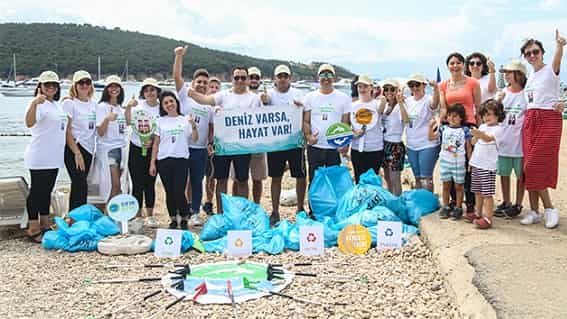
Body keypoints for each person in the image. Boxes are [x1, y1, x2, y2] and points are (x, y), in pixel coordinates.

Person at [188, 66, 261, 213]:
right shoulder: (224, 95)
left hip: (243, 146)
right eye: (236, 78)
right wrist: (190, 93)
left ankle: (242, 212)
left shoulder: (254, 98)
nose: (239, 80)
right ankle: (221, 213)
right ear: (232, 79)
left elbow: (262, 118)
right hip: (222, 145)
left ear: (247, 80)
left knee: (242, 180)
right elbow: (206, 99)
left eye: (242, 78)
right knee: (221, 180)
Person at [519, 30, 566, 228]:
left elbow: (557, 62)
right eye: (528, 53)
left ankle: (549, 208)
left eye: (535, 52)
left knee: (535, 165)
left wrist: (560, 46)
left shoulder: (550, 69)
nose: (532, 55)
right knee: (527, 167)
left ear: (542, 52)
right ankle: (534, 211)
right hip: (530, 120)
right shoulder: (530, 76)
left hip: (548, 119)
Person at [260, 64, 307, 225]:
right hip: (276, 143)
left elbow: (306, 113)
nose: (282, 79)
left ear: (290, 78)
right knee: (276, 177)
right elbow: (260, 114)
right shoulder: (269, 95)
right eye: (279, 76)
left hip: (295, 142)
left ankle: (300, 208)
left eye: (285, 76)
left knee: (300, 176)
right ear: (275, 78)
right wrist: (264, 102)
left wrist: (300, 106)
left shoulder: (298, 93)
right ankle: (275, 211)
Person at [24, 71, 67, 242]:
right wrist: (35, 103)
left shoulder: (57, 105)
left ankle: (44, 223)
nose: (51, 87)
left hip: (54, 156)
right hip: (40, 155)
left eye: (54, 85)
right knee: (37, 191)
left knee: (47, 191)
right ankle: (33, 227)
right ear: (40, 86)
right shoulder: (38, 103)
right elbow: (29, 123)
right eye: (47, 84)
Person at [173, 46, 213, 225]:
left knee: (197, 181)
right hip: (182, 147)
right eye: (199, 82)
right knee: (180, 181)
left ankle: (195, 211)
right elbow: (176, 77)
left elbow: (211, 127)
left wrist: (210, 143)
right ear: (193, 82)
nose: (202, 85)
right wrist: (179, 56)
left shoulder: (209, 104)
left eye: (205, 82)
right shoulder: (184, 97)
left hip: (200, 149)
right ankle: (181, 210)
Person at [439, 52, 481, 214]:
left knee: (468, 166)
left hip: (468, 126)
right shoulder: (443, 85)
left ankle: (469, 203)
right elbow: (443, 108)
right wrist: (438, 123)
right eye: (452, 63)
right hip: (449, 127)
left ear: (463, 64)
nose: (455, 66)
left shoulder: (473, 82)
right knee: (449, 164)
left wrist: (479, 130)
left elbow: (478, 106)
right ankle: (451, 202)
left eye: (458, 62)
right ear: (448, 66)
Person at [149, 91, 198, 229]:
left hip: (181, 159)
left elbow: (194, 138)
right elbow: (156, 143)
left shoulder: (185, 119)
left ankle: (184, 216)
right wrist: (152, 163)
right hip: (163, 160)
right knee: (169, 191)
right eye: (166, 103)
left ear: (176, 102)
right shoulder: (160, 121)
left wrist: (193, 125)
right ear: (162, 106)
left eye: (171, 101)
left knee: (178, 190)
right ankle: (172, 219)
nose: (169, 104)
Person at [303, 64, 350, 183]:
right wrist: (308, 136)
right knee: (314, 181)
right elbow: (306, 120)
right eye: (323, 74)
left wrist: (345, 144)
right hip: (315, 146)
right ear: (318, 77)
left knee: (334, 182)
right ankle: (314, 202)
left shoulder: (343, 98)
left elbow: (345, 123)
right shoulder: (309, 97)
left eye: (329, 74)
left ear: (334, 77)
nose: (326, 78)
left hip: (334, 147)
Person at [125, 78, 161, 227]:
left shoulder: (162, 107)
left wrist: (152, 141)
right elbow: (128, 122)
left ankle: (150, 215)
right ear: (143, 93)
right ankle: (137, 215)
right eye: (146, 90)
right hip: (136, 148)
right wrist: (128, 108)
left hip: (154, 150)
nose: (149, 93)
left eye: (152, 89)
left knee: (150, 183)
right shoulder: (137, 106)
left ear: (158, 91)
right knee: (137, 183)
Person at [493, 60, 528, 218]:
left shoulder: (526, 94)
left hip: (520, 144)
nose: (506, 75)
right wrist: (498, 101)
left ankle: (518, 203)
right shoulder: (502, 93)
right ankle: (506, 202)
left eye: (509, 72)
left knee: (521, 176)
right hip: (503, 142)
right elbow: (493, 114)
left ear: (519, 75)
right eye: (505, 72)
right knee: (504, 174)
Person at [467, 99, 505, 229]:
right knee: (477, 191)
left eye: (489, 114)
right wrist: (475, 136)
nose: (486, 117)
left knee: (487, 194)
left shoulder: (499, 129)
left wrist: (478, 134)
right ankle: (478, 214)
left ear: (498, 114)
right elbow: (473, 143)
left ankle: (488, 218)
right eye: (484, 115)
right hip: (477, 164)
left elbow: (488, 139)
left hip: (488, 166)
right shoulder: (482, 127)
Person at [431, 104, 472, 220]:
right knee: (446, 185)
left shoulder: (465, 130)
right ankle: (446, 206)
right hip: (445, 161)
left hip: (459, 162)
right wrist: (431, 127)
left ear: (461, 118)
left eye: (455, 116)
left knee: (459, 186)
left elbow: (468, 147)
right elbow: (431, 137)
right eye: (449, 116)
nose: (451, 118)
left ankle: (458, 207)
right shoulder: (443, 129)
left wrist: (470, 162)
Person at [63, 70, 96, 211]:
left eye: (87, 82)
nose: (84, 85)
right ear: (75, 85)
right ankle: (75, 217)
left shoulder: (94, 105)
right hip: (74, 148)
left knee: (80, 185)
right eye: (81, 83)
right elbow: (67, 130)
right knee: (80, 183)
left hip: (89, 149)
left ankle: (77, 217)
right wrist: (77, 153)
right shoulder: (69, 103)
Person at [405, 74, 440, 192]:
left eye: (417, 84)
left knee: (426, 178)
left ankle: (429, 203)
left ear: (424, 85)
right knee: (418, 178)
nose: (414, 87)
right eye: (411, 85)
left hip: (427, 144)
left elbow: (435, 104)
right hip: (411, 145)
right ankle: (420, 202)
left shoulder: (428, 99)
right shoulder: (407, 101)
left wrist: (436, 89)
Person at [96, 75, 127, 200]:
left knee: (120, 187)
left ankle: (114, 215)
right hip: (108, 151)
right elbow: (100, 132)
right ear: (106, 89)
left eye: (117, 86)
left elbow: (124, 129)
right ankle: (108, 215)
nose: (114, 89)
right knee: (114, 185)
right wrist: (107, 119)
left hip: (121, 149)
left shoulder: (120, 108)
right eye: (111, 86)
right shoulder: (102, 107)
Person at [349, 74, 385, 183]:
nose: (362, 89)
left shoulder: (377, 104)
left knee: (372, 181)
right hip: (357, 149)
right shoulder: (352, 105)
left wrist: (383, 99)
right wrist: (354, 133)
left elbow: (381, 110)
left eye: (365, 86)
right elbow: (348, 126)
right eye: (360, 86)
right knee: (358, 181)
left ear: (371, 88)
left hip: (375, 149)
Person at [242, 66, 268, 204]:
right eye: (251, 77)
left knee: (257, 178)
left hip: (258, 144)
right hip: (240, 145)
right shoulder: (238, 95)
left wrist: (267, 102)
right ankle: (241, 205)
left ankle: (256, 205)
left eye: (256, 77)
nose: (253, 80)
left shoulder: (265, 97)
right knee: (240, 178)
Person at [381, 79, 409, 196]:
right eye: (386, 89)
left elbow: (406, 120)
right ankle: (391, 201)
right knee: (387, 178)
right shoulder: (385, 105)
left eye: (392, 89)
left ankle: (398, 203)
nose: (389, 92)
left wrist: (401, 102)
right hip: (384, 144)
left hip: (395, 146)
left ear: (397, 91)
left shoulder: (401, 106)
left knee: (395, 179)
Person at [202, 77, 221, 215]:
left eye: (216, 87)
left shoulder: (220, 106)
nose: (213, 89)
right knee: (194, 177)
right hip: (201, 144)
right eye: (211, 87)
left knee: (212, 176)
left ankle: (209, 202)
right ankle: (192, 204)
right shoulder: (203, 105)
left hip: (216, 145)